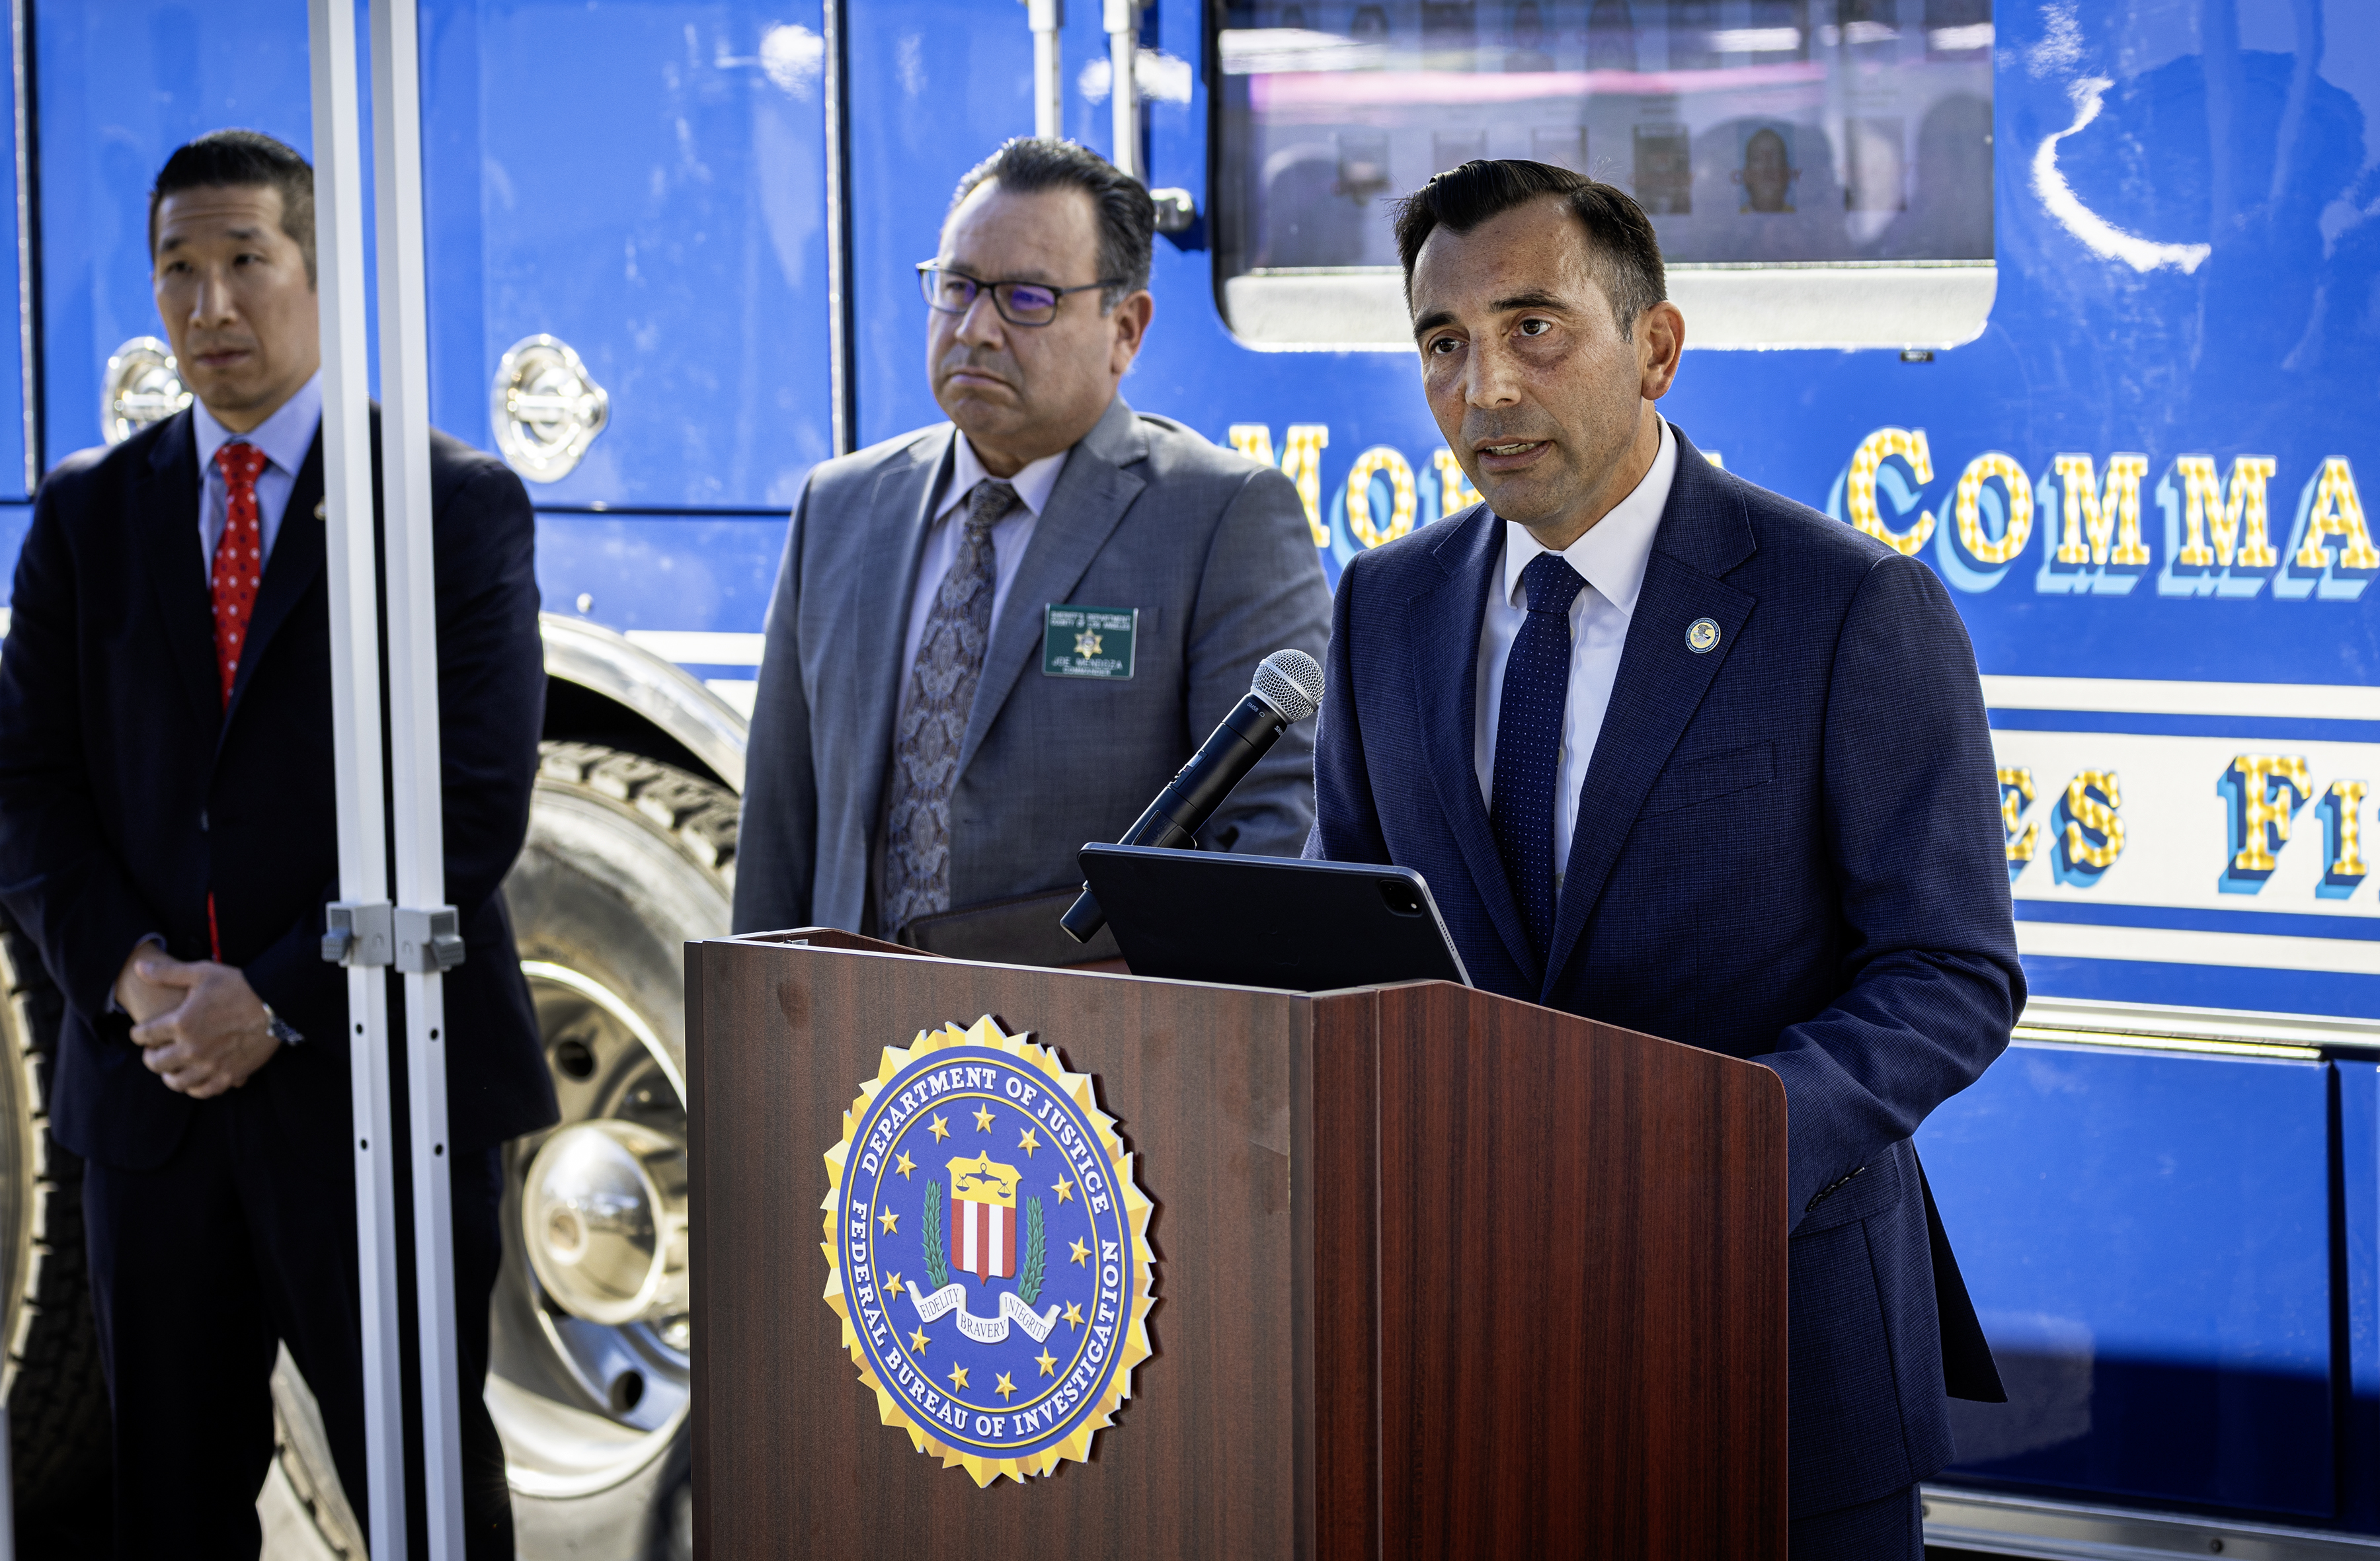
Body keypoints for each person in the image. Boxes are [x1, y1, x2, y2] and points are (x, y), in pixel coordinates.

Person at [1306, 158, 2017, 1559]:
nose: (1486, 388)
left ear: (1657, 347)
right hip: (1467, 1368)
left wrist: (1722, 1151)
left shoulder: (1847, 604)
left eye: (1534, 328)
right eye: (1442, 344)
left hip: (1775, 1354)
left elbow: (1949, 970)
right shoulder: (1382, 608)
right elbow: (1350, 931)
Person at [0, 130, 555, 1558]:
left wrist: (280, 996)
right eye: (178, 271)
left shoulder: (447, 505)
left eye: (246, 261)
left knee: (428, 1499)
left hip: (372, 1090)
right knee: (169, 1507)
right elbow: (28, 787)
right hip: (150, 1099)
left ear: (319, 275)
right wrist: (133, 978)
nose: (210, 306)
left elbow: (472, 804)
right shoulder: (84, 516)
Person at [734, 138, 1331, 951]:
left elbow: (1271, 827)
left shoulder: (1221, 516)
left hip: (1084, 1058)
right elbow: (781, 824)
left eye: (1025, 298)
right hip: (859, 1047)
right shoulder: (841, 505)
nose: (975, 329)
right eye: (956, 288)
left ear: (1125, 328)